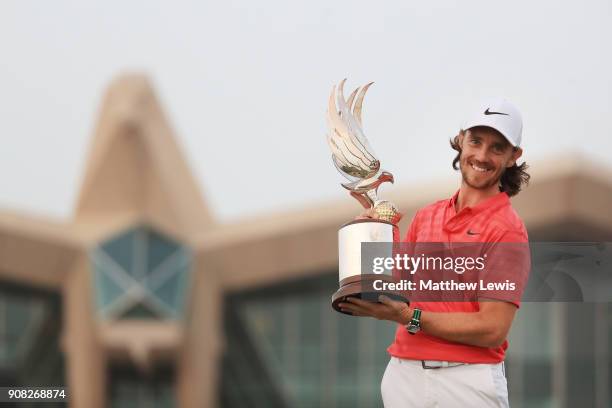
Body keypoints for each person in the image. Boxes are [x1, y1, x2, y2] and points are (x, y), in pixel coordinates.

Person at [338, 97, 531, 408]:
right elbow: (396, 288)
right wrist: (374, 232)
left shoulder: (507, 229)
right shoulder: (428, 216)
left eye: (497, 147)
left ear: (513, 156)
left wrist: (410, 317)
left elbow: (492, 329)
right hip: (405, 376)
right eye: (476, 141)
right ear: (460, 140)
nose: (481, 155)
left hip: (467, 383)